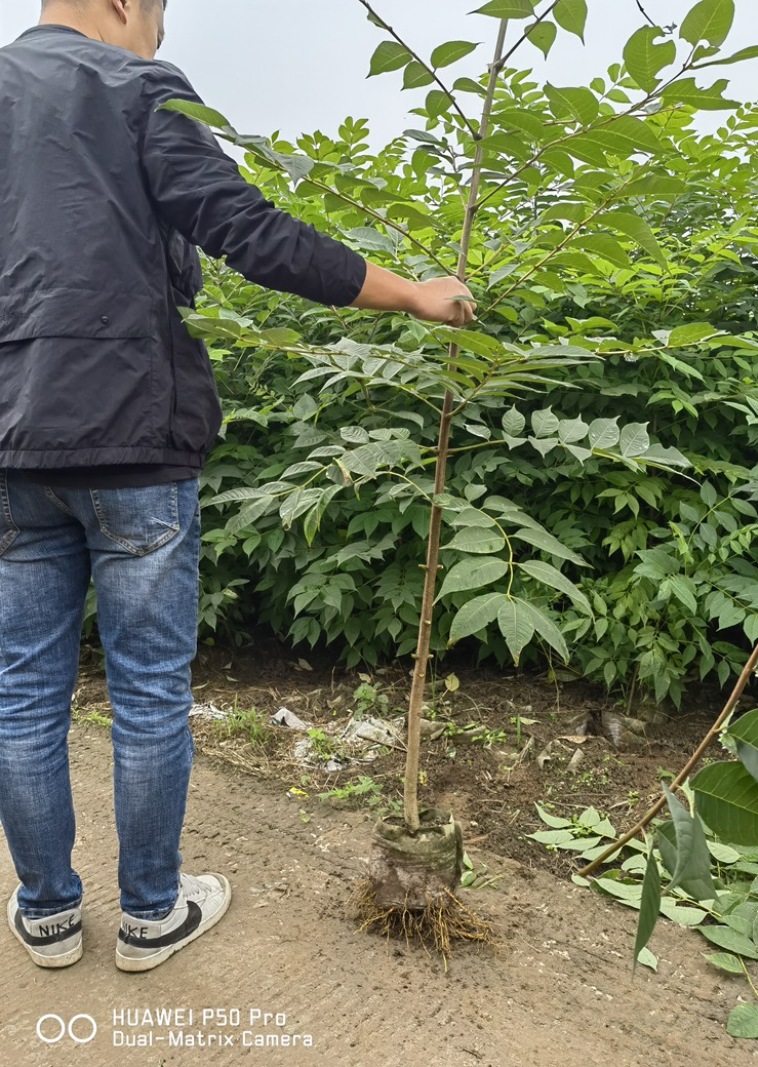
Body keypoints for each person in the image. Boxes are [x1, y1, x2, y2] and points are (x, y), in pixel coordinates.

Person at [0, 0, 475, 973]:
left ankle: (46, 913)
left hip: (10, 445)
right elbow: (245, 230)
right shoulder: (136, 89)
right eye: (158, 25)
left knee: (19, 690)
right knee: (144, 691)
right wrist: (408, 292)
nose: (154, 45)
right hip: (135, 435)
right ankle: (149, 915)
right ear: (126, 4)